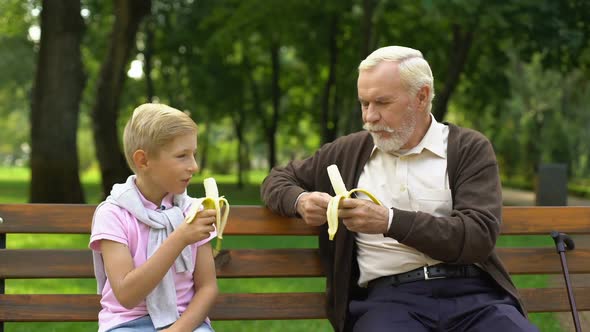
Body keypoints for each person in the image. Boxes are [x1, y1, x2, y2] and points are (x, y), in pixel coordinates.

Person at [261, 46, 539, 332]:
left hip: (473, 296)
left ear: (422, 97)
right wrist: (300, 200)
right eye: (364, 103)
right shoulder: (348, 152)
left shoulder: (468, 148)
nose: (369, 117)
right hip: (390, 302)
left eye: (381, 103)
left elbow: (477, 235)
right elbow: (277, 179)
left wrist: (389, 221)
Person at [90, 103, 218, 332]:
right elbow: (127, 296)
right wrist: (179, 239)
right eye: (182, 156)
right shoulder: (112, 214)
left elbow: (208, 288)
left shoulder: (195, 211)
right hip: (126, 324)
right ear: (143, 161)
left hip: (186, 323)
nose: (194, 166)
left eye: (194, 155)